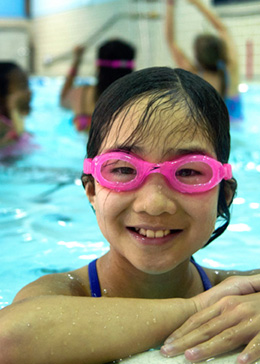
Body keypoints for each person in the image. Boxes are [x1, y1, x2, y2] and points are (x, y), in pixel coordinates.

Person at [0, 67, 260, 364]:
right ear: (92, 191)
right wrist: (197, 309)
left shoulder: (240, 291)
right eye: (123, 169)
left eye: (188, 171)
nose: (153, 204)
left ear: (223, 196)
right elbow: (9, 338)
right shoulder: (64, 293)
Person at [165, 0, 243, 122]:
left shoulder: (193, 74)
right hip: (237, 125)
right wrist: (198, 3)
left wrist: (170, 5)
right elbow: (222, 29)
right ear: (221, 50)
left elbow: (171, 41)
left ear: (197, 57)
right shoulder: (231, 68)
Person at [60, 38, 136, 132]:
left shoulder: (82, 94)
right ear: (131, 70)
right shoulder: (136, 100)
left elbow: (63, 99)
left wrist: (77, 60)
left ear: (98, 67)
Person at [0, 62, 31, 149]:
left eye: (27, 85)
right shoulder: (2, 126)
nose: (29, 92)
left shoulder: (11, 123)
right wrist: (14, 110)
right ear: (2, 96)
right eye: (22, 86)